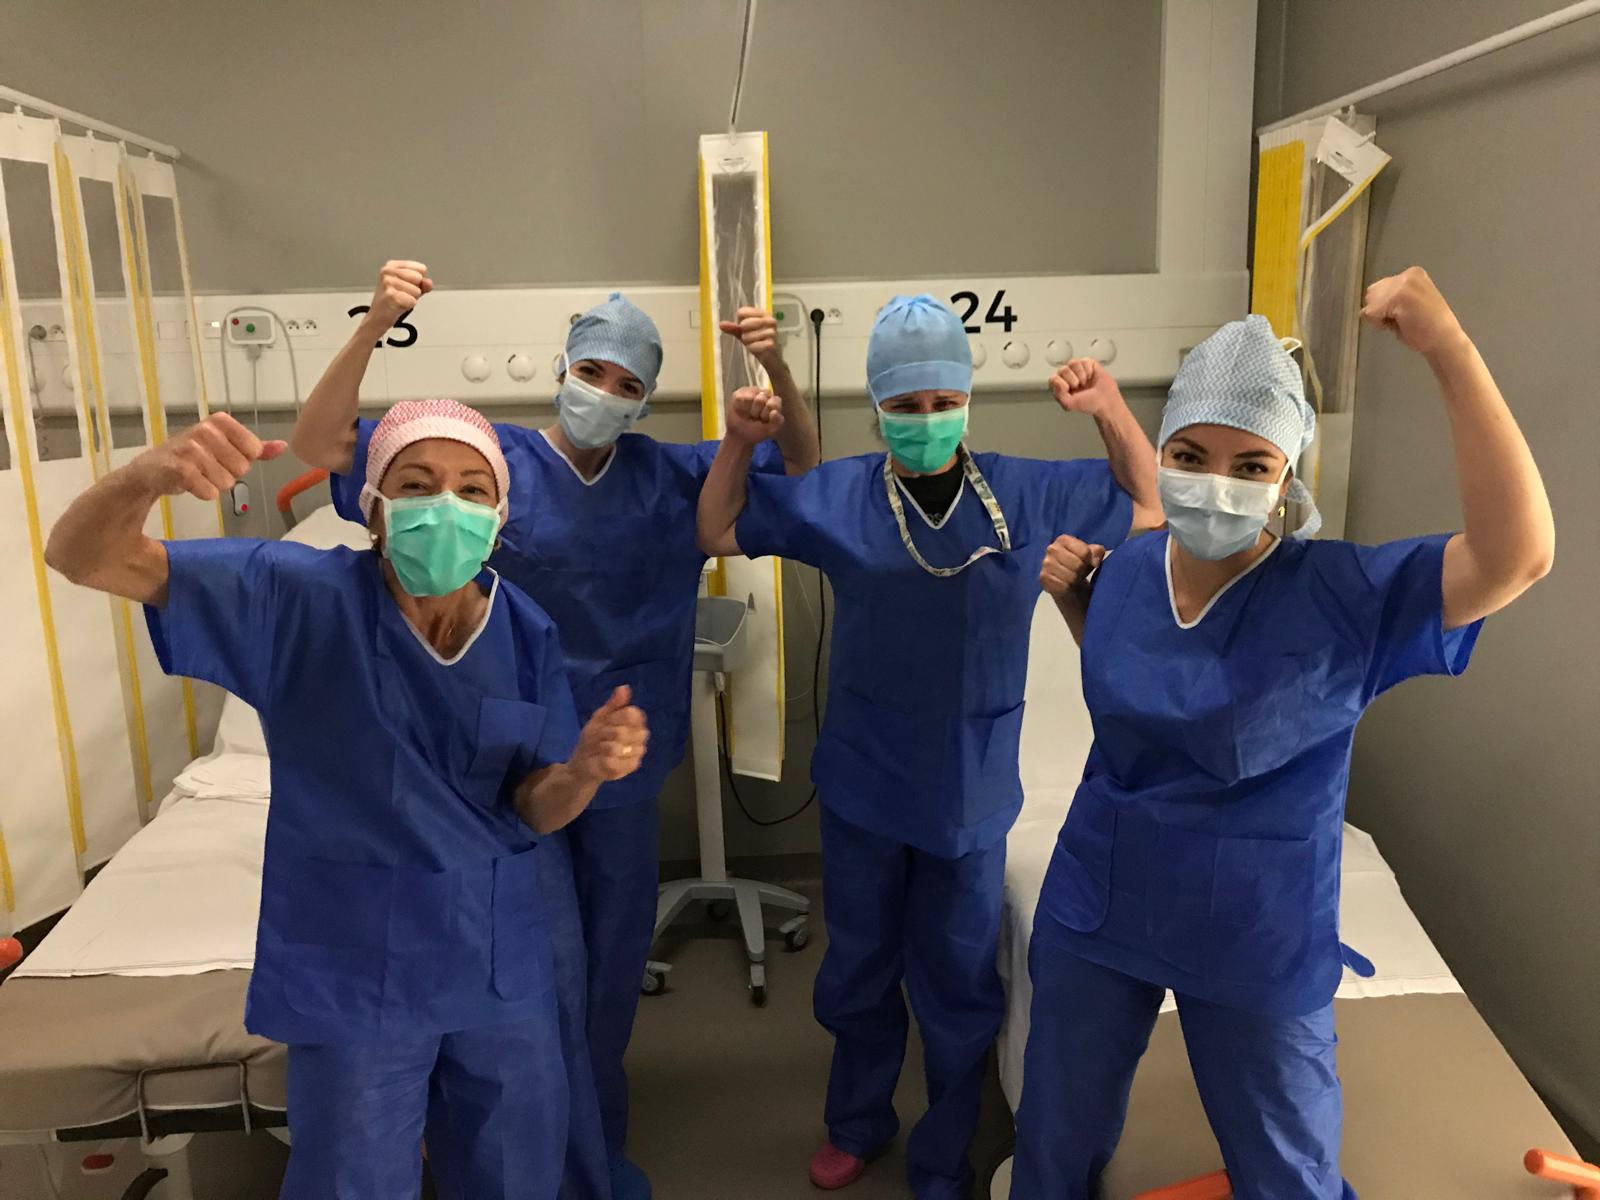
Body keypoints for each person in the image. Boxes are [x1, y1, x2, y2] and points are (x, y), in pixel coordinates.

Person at [1011, 269, 1555, 1199]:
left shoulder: (1345, 598)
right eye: (1191, 454)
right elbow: (1137, 685)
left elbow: (1518, 557)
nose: (1214, 485)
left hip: (1253, 930)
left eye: (1251, 466)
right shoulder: (1131, 568)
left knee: (1285, 1169)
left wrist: (1449, 347)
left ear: (1286, 478)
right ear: (1165, 453)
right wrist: (1076, 605)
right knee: (1055, 1134)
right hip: (1102, 899)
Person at [290, 262, 820, 1200]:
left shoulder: (671, 471)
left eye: (626, 383)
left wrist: (776, 376)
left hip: (617, 761)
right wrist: (375, 323)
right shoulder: (483, 465)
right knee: (546, 976)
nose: (603, 394)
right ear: (561, 368)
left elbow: (800, 466)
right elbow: (325, 444)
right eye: (592, 372)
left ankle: (588, 1148)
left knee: (609, 977)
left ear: (646, 398)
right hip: (505, 762)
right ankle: (548, 1161)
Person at [43, 401, 652, 1200]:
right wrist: (145, 476)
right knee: (352, 1179)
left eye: (473, 490)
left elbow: (535, 807)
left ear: (499, 517)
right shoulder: (292, 595)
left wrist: (584, 772)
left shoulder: (524, 630)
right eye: (417, 485)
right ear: (372, 508)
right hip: (357, 966)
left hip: (495, 960)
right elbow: (82, 556)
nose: (447, 507)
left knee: (514, 1171)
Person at [695, 294, 1161, 1198]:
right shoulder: (843, 496)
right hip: (865, 784)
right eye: (906, 405)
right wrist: (738, 444)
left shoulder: (1025, 493)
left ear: (967, 400)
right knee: (859, 968)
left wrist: (1109, 406)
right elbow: (716, 528)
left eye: (943, 400)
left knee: (958, 985)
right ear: (878, 408)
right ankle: (857, 1122)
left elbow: (1147, 502)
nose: (926, 419)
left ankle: (945, 1153)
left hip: (967, 794)